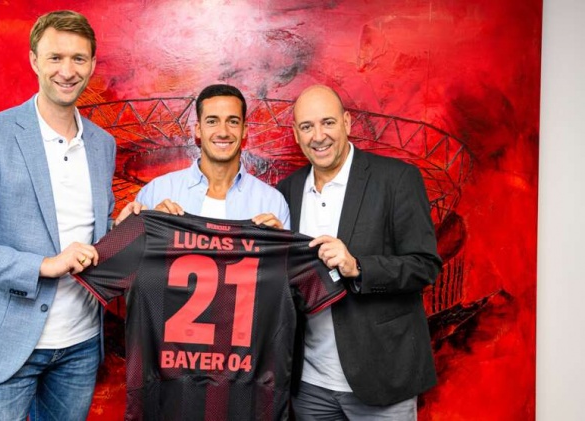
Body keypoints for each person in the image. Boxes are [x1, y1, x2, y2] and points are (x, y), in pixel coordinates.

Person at [0, 10, 114, 420]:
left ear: (92, 64)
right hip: (6, 343)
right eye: (55, 57)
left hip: (81, 344)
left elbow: (95, 234)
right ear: (34, 60)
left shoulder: (103, 144)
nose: (67, 71)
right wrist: (43, 266)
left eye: (78, 58)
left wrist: (126, 224)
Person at [276, 85, 442, 420]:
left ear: (347, 122)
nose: (318, 136)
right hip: (309, 385)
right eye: (307, 127)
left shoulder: (396, 179)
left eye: (328, 123)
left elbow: (425, 266)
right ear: (295, 134)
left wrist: (358, 267)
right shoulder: (287, 191)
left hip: (383, 378)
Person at [117, 84, 290, 229]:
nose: (223, 132)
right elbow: (124, 253)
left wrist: (280, 246)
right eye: (212, 121)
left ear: (244, 130)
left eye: (233, 122)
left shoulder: (272, 202)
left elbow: (283, 260)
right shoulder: (157, 192)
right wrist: (136, 228)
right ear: (198, 130)